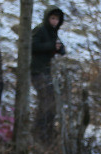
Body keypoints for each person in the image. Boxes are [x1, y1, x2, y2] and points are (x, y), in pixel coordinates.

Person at [31, 5, 65, 140]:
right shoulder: (40, 30)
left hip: (46, 70)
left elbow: (61, 48)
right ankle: (39, 131)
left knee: (51, 101)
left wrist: (59, 48)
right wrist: (51, 46)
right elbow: (32, 45)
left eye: (57, 19)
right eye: (52, 18)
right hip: (37, 70)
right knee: (45, 101)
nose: (54, 21)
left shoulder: (53, 32)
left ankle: (47, 132)